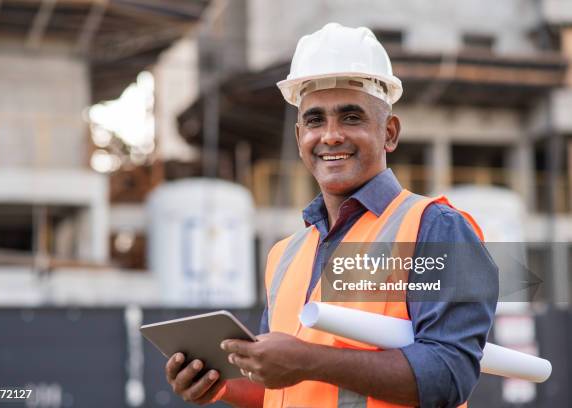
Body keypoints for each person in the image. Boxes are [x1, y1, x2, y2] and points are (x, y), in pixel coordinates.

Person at [164, 23, 498, 408]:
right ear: (299, 136)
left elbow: (448, 373)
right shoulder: (285, 255)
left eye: (351, 117)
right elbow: (283, 386)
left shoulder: (435, 228)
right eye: (315, 119)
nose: (331, 135)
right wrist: (220, 385)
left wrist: (308, 361)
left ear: (389, 132)